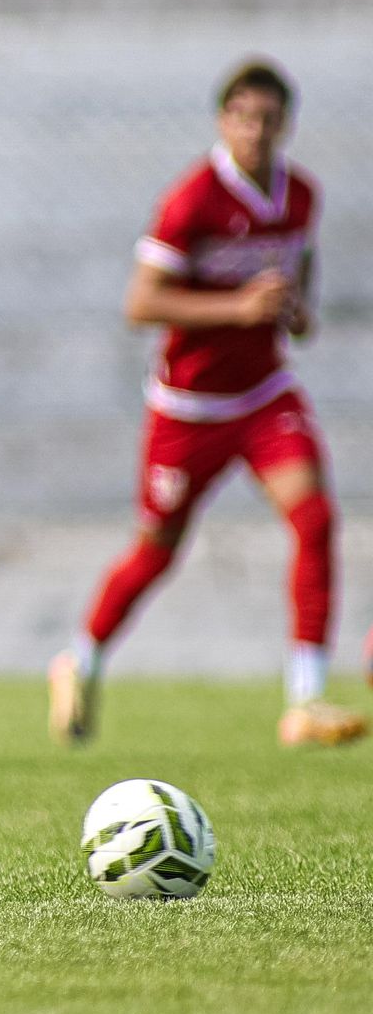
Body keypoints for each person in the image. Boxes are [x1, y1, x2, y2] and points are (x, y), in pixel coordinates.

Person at [49, 60, 367, 749]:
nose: (256, 131)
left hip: (264, 396)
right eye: (243, 117)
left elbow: (299, 276)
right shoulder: (192, 199)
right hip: (189, 409)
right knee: (157, 551)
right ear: (223, 121)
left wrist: (296, 312)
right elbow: (141, 303)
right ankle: (80, 658)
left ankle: (306, 698)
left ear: (286, 125)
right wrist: (238, 307)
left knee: (315, 520)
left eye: (269, 119)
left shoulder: (301, 194)